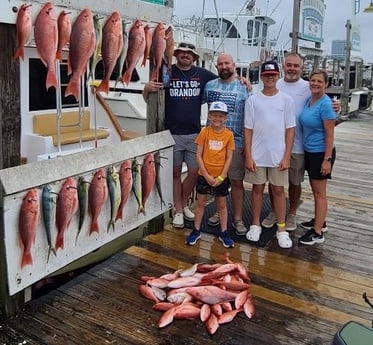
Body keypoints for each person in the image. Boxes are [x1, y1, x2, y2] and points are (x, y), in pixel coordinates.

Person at [143, 42, 217, 229]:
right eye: (182, 53)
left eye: (189, 53)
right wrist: (146, 89)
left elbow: (224, 81)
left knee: (194, 172)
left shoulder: (203, 75)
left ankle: (182, 204)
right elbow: (149, 99)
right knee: (175, 173)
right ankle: (178, 210)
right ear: (176, 55)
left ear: (194, 57)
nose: (185, 55)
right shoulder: (166, 71)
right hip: (171, 133)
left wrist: (243, 80)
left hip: (194, 134)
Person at [261, 52, 337, 232]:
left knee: (295, 182)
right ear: (283, 65)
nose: (292, 69)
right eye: (289, 65)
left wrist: (336, 106)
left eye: (296, 66)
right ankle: (274, 211)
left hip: (299, 146)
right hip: (275, 144)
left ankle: (292, 213)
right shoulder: (275, 83)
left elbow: (325, 105)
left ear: (301, 68)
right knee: (274, 182)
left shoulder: (308, 87)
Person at [244, 60, 296, 248]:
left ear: (278, 75)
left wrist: (287, 155)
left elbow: (290, 130)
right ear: (261, 77)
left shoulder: (286, 100)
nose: (270, 78)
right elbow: (247, 129)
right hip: (257, 154)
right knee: (257, 189)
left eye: (273, 75)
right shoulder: (252, 100)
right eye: (266, 75)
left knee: (279, 191)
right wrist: (249, 155)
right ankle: (255, 224)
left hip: (278, 155)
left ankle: (281, 228)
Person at [202, 53, 252, 236]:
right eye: (220, 64)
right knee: (217, 182)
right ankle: (218, 211)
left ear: (234, 64)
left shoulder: (244, 87)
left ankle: (238, 218)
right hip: (213, 144)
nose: (224, 66)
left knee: (237, 182)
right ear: (217, 66)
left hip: (236, 143)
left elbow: (251, 118)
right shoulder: (209, 86)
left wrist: (248, 143)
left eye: (227, 63)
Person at [185, 101, 235, 248]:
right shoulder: (204, 132)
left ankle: (224, 232)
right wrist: (206, 175)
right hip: (204, 175)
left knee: (221, 204)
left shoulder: (229, 135)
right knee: (200, 203)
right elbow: (198, 155)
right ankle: (196, 229)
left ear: (226, 117)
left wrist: (221, 177)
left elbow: (229, 157)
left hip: (221, 176)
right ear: (209, 116)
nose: (217, 118)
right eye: (214, 115)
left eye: (220, 116)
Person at [298, 69, 336, 245]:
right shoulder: (309, 100)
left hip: (321, 152)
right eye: (313, 80)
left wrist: (327, 160)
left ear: (326, 84)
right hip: (310, 151)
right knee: (315, 190)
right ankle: (320, 221)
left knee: (319, 193)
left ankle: (318, 232)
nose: (315, 84)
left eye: (320, 81)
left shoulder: (325, 104)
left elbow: (330, 133)